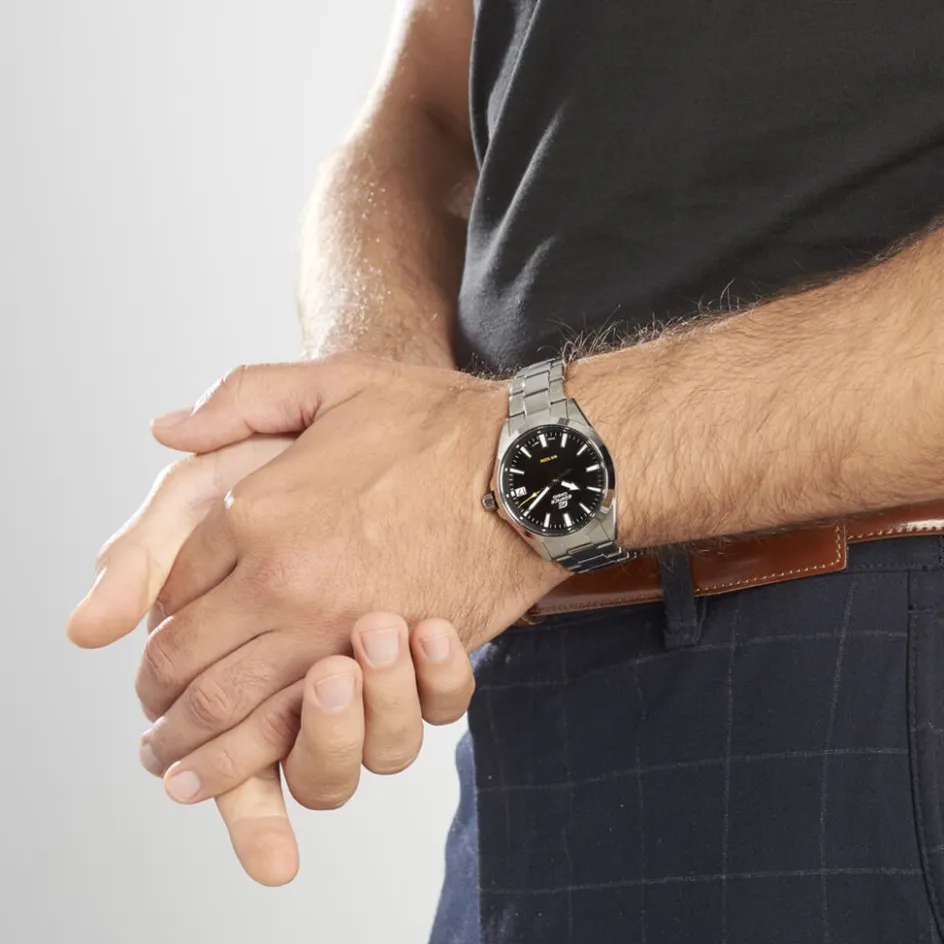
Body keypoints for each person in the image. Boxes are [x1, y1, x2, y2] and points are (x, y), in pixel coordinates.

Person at [67, 0, 944, 940]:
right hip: (542, 670)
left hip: (871, 636)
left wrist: (479, 472)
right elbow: (427, 115)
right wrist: (373, 428)